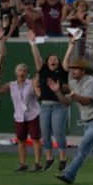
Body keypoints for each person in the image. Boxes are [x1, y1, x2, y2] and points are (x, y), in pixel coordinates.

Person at [52, 56, 93, 185]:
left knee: (82, 148)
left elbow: (87, 101)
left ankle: (69, 175)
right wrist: (57, 92)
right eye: (72, 69)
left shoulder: (92, 82)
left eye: (75, 69)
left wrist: (71, 93)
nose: (72, 71)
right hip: (89, 121)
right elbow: (66, 102)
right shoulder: (74, 83)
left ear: (83, 71)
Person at [0, 41, 45, 172]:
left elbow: (39, 95)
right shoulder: (12, 85)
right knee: (21, 140)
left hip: (32, 114)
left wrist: (36, 85)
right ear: (16, 72)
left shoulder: (31, 83)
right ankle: (22, 163)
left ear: (27, 73)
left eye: (24, 70)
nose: (22, 72)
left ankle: (38, 163)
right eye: (20, 70)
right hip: (19, 116)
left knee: (35, 139)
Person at [30, 31, 69, 173]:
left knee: (59, 133)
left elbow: (66, 59)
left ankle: (63, 158)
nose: (53, 61)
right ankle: (49, 158)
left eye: (55, 59)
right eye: (51, 59)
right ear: (47, 62)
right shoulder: (43, 70)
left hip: (59, 106)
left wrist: (71, 45)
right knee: (45, 134)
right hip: (45, 106)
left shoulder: (62, 71)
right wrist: (33, 43)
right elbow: (36, 58)